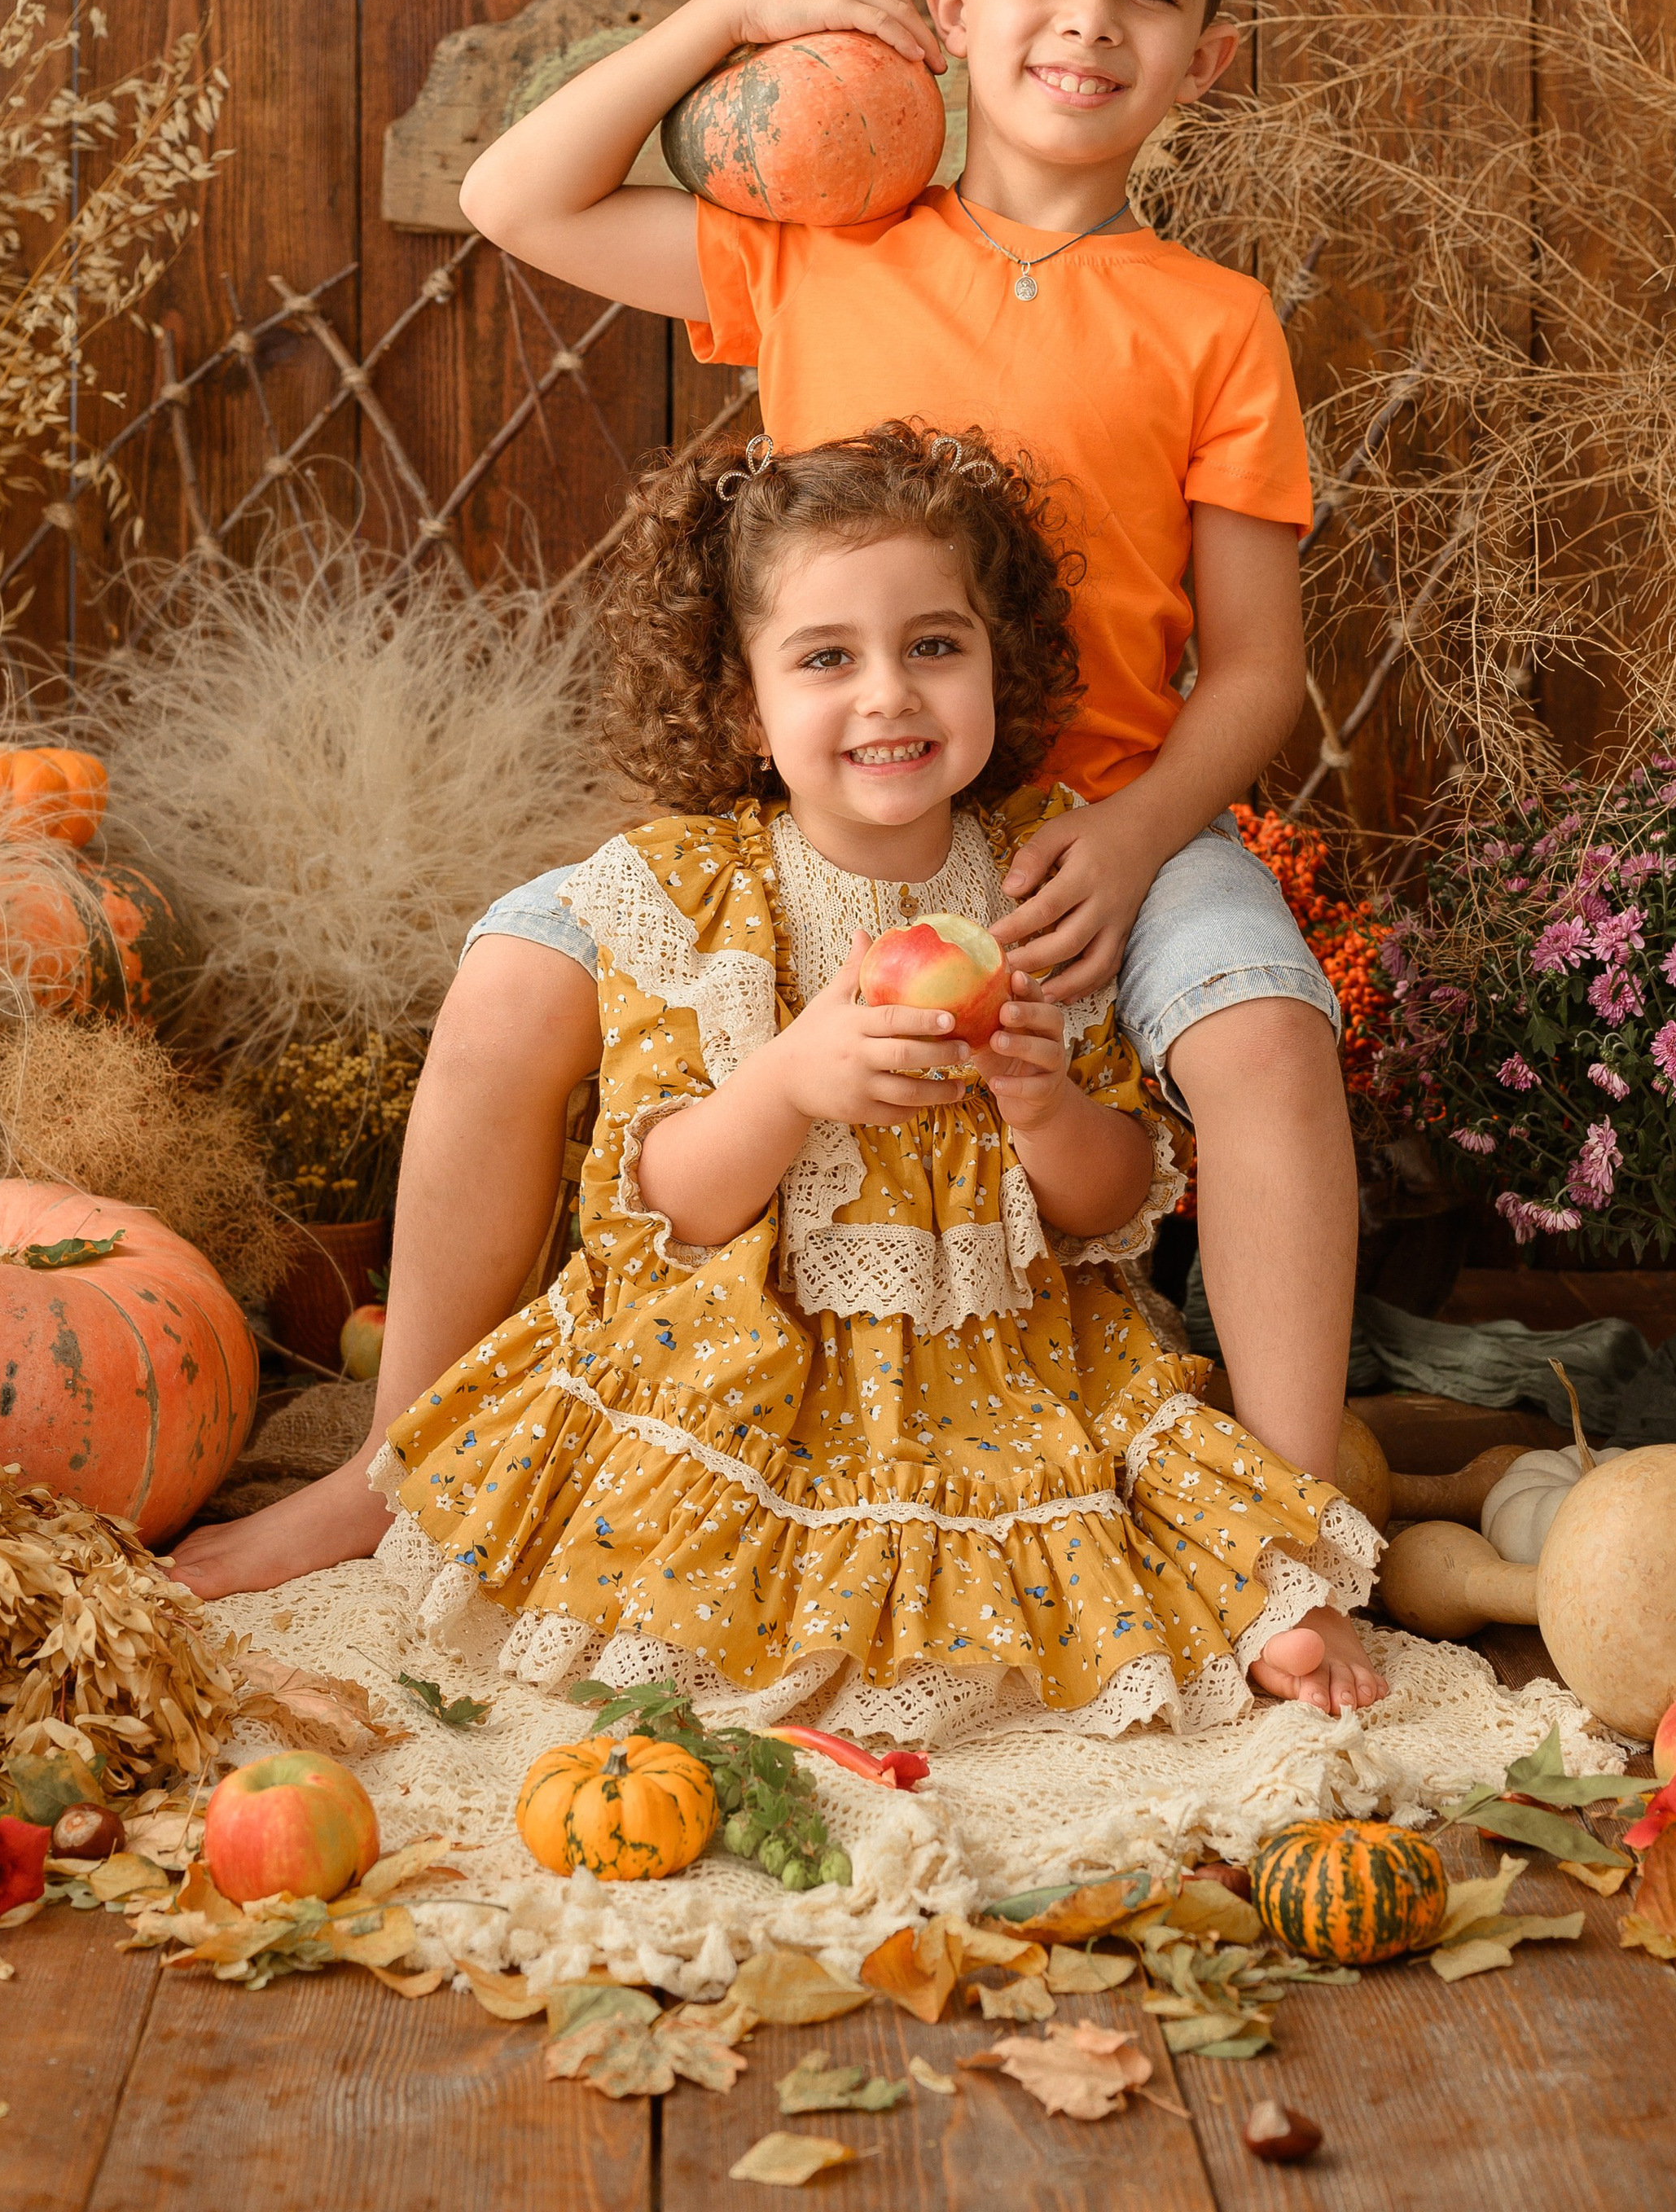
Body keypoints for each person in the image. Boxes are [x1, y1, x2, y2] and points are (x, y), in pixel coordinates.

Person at [173, 0, 1372, 1712]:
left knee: (1264, 1044)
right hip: (817, 811)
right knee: (505, 976)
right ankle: (401, 1473)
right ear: (949, 10)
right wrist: (721, 13)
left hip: (1091, 829)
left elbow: (1256, 676)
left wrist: (1145, 836)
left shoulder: (1213, 324)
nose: (1087, 20)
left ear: (1199, 62)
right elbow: (518, 199)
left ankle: (1285, 1543)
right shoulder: (829, 253)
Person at [321, 427, 1383, 1728]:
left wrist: (1046, 1106)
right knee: (679, 1593)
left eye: (935, 646)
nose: (889, 693)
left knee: (1139, 1524)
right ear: (743, 703)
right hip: (762, 1372)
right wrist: (787, 1084)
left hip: (1009, 1371)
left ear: (1005, 664)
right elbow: (664, 1208)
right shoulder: (694, 899)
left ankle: (1264, 1591)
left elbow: (1111, 1209)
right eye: (828, 658)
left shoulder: (1041, 881)